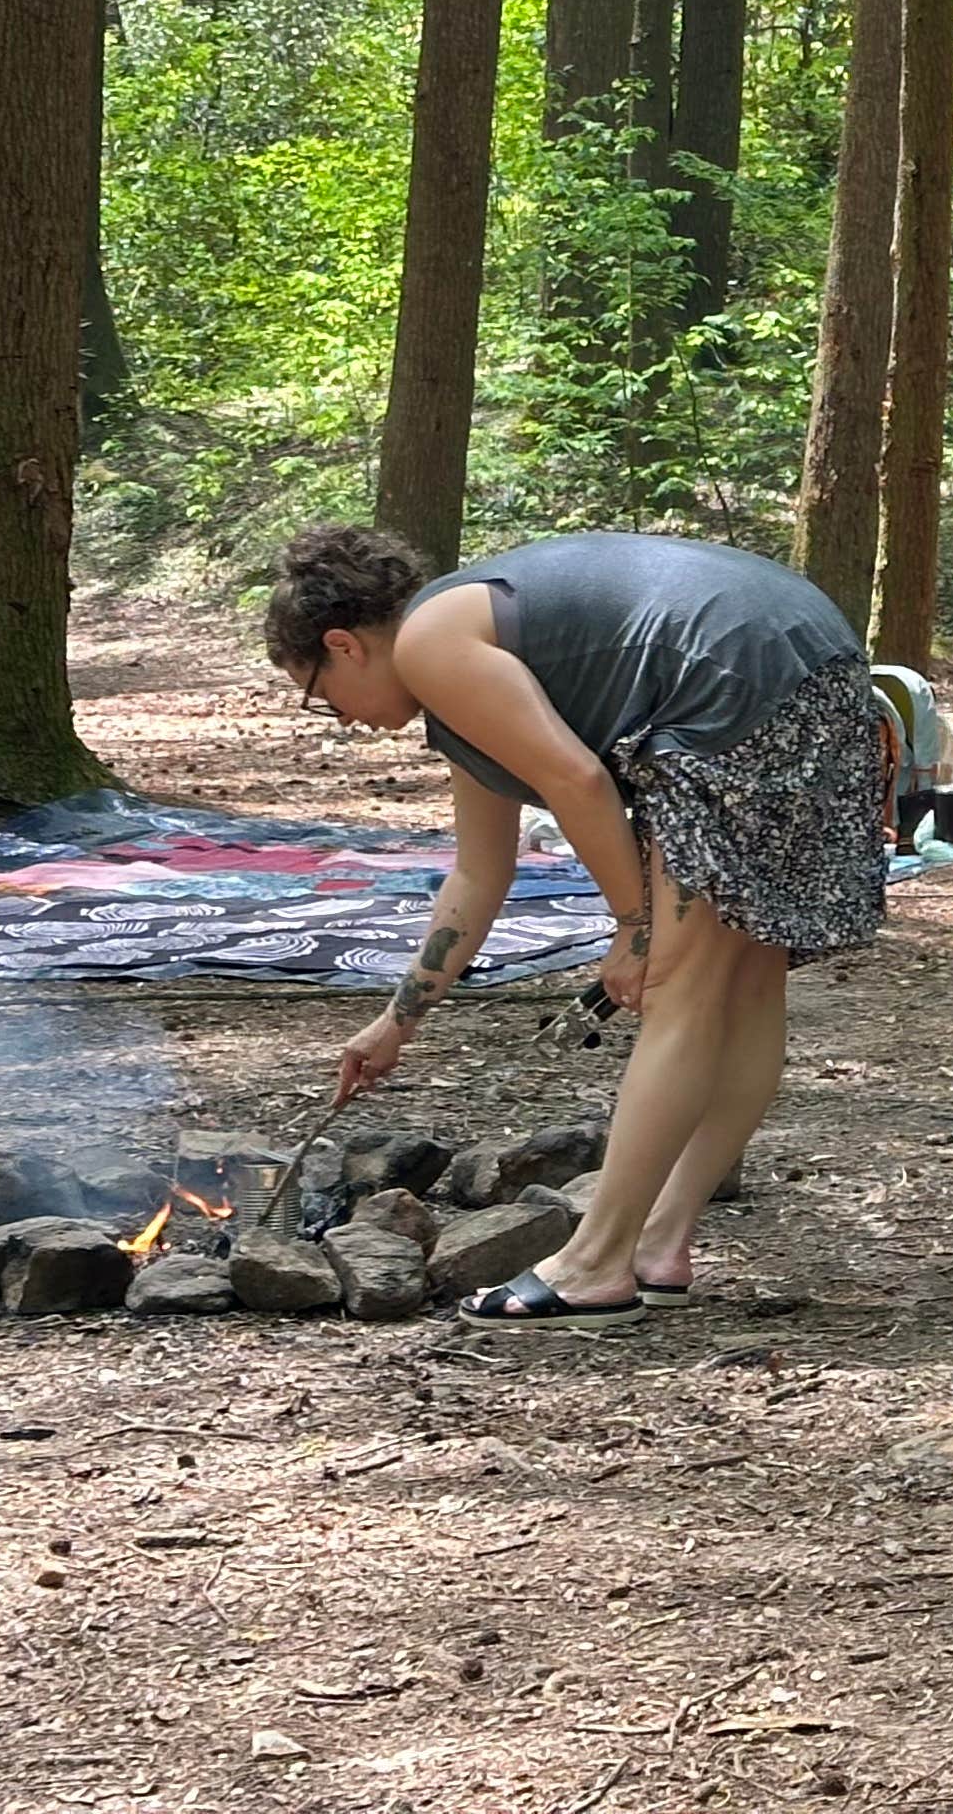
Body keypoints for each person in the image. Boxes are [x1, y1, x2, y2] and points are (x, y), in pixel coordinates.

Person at [261, 524, 889, 1330]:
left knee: (680, 991)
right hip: (812, 659)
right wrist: (395, 1023)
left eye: (316, 692)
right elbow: (480, 873)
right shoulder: (460, 670)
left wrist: (635, 931)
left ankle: (595, 1264)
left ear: (343, 646)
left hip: (733, 677)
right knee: (743, 980)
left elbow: (578, 780)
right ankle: (660, 1242)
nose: (339, 719)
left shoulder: (431, 643)